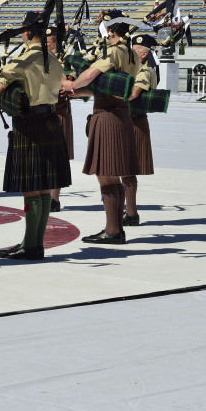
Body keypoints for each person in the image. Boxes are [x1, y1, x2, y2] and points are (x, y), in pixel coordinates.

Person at [0, 12, 72, 260]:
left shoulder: (20, 61)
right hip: (50, 121)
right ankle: (33, 242)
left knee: (31, 190)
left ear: (28, 32)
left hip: (28, 126)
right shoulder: (54, 61)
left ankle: (31, 246)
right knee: (43, 189)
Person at [62, 20, 140, 244]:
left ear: (113, 33)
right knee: (112, 175)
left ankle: (113, 230)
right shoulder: (131, 54)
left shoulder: (115, 51)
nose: (106, 36)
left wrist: (72, 85)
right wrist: (78, 92)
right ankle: (114, 228)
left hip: (107, 114)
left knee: (105, 175)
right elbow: (105, 85)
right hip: (119, 111)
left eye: (108, 33)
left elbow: (90, 74)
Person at [122, 33, 160, 227]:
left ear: (144, 54)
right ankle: (128, 211)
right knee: (124, 170)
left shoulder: (144, 71)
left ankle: (131, 212)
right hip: (130, 121)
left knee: (128, 170)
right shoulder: (137, 68)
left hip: (134, 122)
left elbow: (134, 94)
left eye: (135, 51)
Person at [46, 31, 73, 212]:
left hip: (59, 112)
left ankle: (54, 199)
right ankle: (45, 195)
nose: (45, 44)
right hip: (42, 112)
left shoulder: (66, 60)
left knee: (57, 158)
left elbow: (68, 82)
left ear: (55, 43)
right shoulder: (41, 60)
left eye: (48, 42)